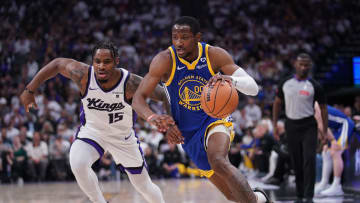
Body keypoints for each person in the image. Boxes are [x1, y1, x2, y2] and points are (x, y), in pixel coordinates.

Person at [133, 16, 272, 203]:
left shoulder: (214, 55)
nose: (179, 42)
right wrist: (153, 117)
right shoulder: (164, 60)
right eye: (175, 37)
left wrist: (232, 80)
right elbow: (138, 98)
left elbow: (253, 87)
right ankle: (259, 198)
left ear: (198, 37)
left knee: (218, 160)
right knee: (233, 196)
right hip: (187, 133)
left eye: (184, 37)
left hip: (215, 119)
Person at [20, 41, 166, 203]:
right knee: (78, 163)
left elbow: (163, 94)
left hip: (122, 137)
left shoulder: (130, 82)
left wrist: (173, 119)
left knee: (143, 186)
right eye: (97, 61)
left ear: (116, 61)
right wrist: (29, 89)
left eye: (107, 62)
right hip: (93, 132)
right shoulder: (83, 75)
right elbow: (57, 64)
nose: (101, 66)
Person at [272, 53, 328, 203]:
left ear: (310, 66)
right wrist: (274, 125)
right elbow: (277, 103)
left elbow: (323, 108)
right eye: (301, 64)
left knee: (309, 159)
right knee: (295, 161)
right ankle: (299, 195)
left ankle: (309, 196)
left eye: (306, 65)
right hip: (291, 125)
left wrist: (324, 131)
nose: (303, 67)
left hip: (309, 125)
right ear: (295, 65)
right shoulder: (285, 83)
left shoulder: (315, 85)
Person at [314, 103, 355, 196]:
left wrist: (332, 140)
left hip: (345, 124)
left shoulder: (314, 106)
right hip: (336, 128)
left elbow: (322, 126)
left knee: (335, 151)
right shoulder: (309, 107)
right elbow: (320, 128)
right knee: (326, 152)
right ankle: (324, 183)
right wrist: (325, 143)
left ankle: (337, 186)